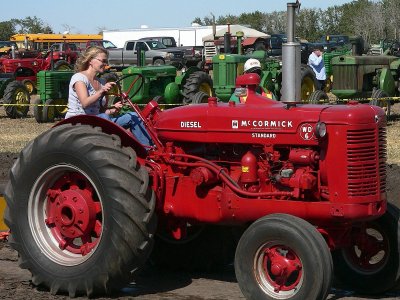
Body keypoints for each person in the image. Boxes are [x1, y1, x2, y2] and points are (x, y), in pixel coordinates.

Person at [65, 46, 152, 147]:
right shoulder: (79, 78)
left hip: (97, 119)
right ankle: (117, 147)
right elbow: (85, 103)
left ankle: (149, 150)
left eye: (106, 61)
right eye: (103, 60)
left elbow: (100, 111)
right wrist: (101, 91)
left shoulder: (101, 82)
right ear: (90, 60)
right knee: (104, 118)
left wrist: (113, 109)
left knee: (133, 116)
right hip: (79, 121)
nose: (106, 64)